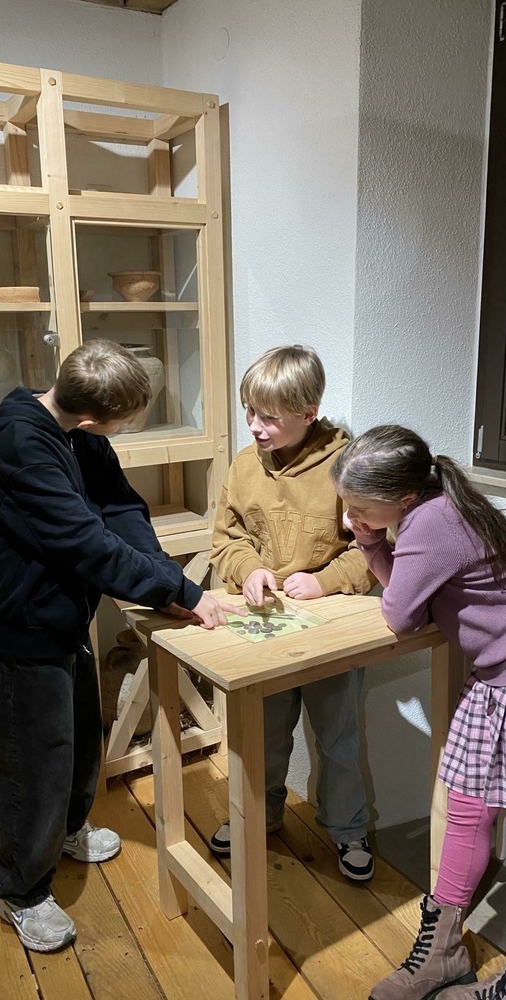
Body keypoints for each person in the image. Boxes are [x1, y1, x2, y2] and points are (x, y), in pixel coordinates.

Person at [0, 339, 237, 953]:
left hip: (64, 617)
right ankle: (21, 891)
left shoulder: (77, 433)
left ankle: (64, 831)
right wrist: (180, 590)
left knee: (80, 736)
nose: (119, 432)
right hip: (24, 624)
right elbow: (85, 543)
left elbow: (118, 507)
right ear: (90, 417)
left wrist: (162, 577)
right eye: (121, 423)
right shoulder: (21, 444)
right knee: (34, 761)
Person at [331, 424, 506, 1000]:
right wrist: (373, 536)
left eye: (360, 506)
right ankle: (443, 950)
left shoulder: (430, 522)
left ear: (402, 498)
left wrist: (370, 542)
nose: (351, 516)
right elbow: (411, 598)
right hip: (497, 678)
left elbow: (400, 614)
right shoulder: (437, 507)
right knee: (467, 808)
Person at [208, 345, 376, 881]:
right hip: (265, 622)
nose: (254, 426)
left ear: (309, 413)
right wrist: (249, 569)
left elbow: (374, 546)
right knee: (262, 732)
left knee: (338, 735)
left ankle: (348, 829)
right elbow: (227, 539)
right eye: (249, 412)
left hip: (331, 627)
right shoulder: (244, 466)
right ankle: (259, 815)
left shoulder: (348, 466)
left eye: (268, 418)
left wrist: (325, 581)